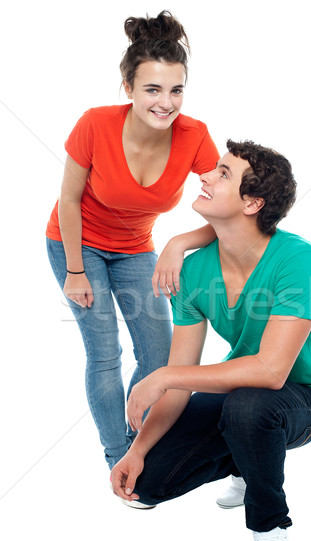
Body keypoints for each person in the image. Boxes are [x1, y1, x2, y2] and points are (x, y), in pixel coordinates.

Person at [111, 140, 311, 541]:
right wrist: (135, 450)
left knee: (249, 406)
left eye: (222, 174)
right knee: (147, 484)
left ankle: (270, 525)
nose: (205, 177)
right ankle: (245, 460)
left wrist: (162, 376)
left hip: (304, 400)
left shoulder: (299, 261)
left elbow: (272, 371)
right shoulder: (194, 271)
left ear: (252, 203)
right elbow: (178, 382)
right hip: (241, 392)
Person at [45, 11, 219, 475]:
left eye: (176, 90)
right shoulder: (95, 124)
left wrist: (178, 243)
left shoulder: (194, 135)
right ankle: (116, 455)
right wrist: (76, 271)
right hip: (74, 243)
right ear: (129, 88)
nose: (166, 103)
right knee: (105, 353)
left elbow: (225, 204)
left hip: (136, 247)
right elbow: (68, 199)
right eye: (152, 89)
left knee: (159, 355)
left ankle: (139, 443)